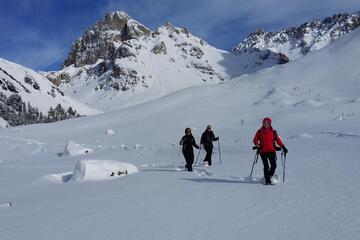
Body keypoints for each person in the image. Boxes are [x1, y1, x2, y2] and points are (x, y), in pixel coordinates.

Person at [253, 117, 288, 185]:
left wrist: (283, 147)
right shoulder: (259, 131)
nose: (265, 124)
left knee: (274, 165)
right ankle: (267, 180)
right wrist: (257, 144)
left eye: (267, 123)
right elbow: (255, 140)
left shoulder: (273, 132)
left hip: (271, 151)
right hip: (262, 151)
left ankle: (269, 176)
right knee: (266, 166)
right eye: (264, 123)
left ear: (269, 123)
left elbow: (278, 140)